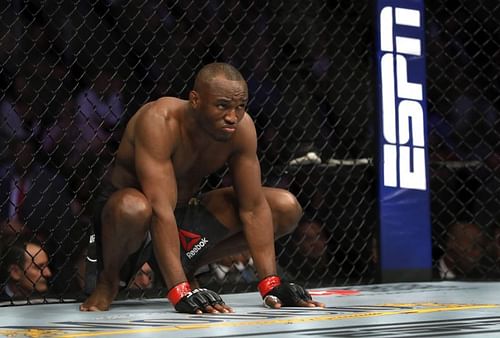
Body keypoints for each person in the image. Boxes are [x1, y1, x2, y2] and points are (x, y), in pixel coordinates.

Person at [81, 62, 324, 314]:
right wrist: (179, 290)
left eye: (240, 106)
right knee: (134, 207)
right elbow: (160, 209)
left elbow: (252, 208)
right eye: (222, 106)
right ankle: (109, 281)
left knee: (284, 207)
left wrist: (270, 283)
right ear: (195, 100)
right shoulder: (159, 122)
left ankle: (188, 264)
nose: (232, 116)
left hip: (183, 212)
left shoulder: (241, 129)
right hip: (131, 219)